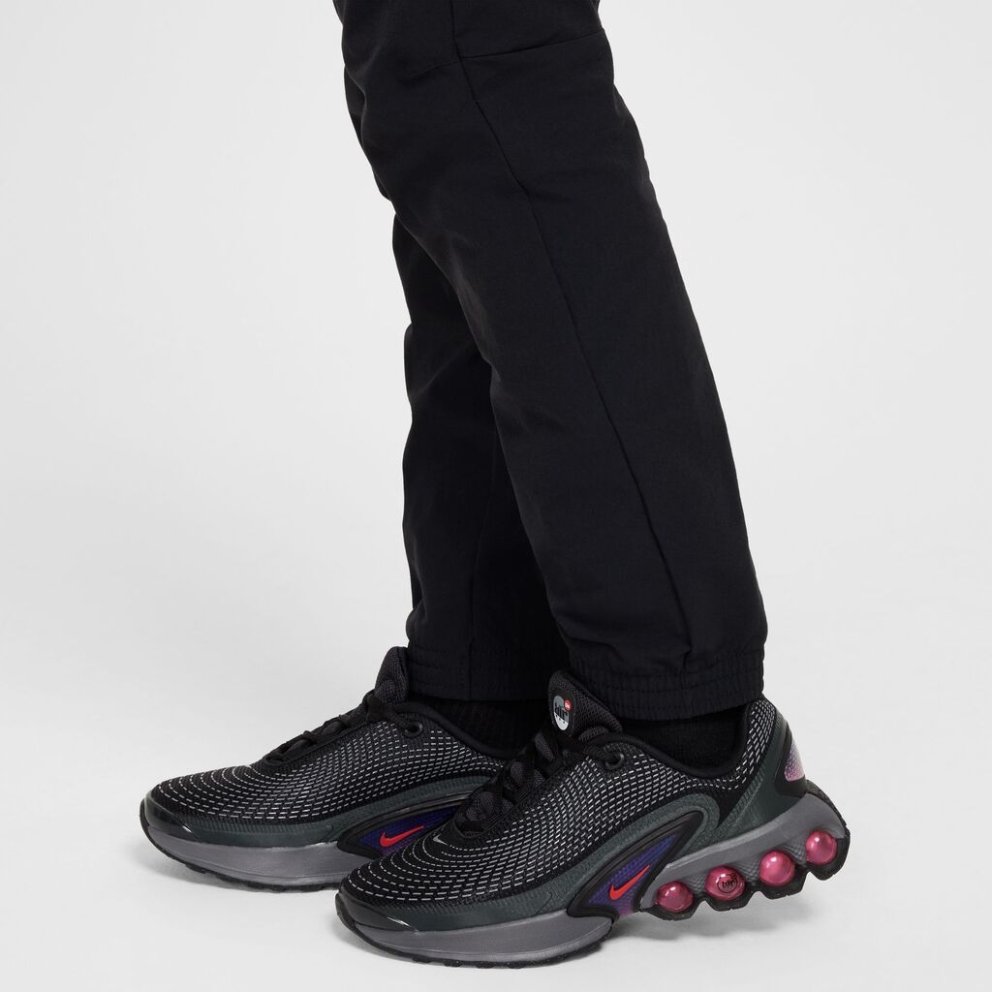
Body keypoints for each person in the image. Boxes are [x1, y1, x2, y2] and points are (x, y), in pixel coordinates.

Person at [140, 1, 848, 965]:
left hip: (672, 720)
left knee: (486, 61)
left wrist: (677, 695)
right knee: (437, 114)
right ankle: (486, 692)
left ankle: (680, 728)